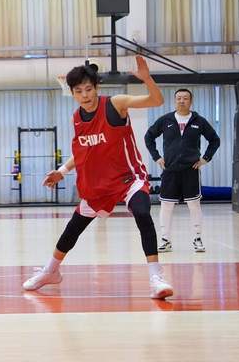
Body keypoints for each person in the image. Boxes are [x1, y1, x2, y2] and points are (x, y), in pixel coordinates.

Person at [23, 56, 173, 299]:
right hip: (100, 184)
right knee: (74, 227)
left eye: (88, 89)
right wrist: (62, 171)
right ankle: (51, 271)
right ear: (72, 93)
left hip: (128, 178)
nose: (85, 95)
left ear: (96, 88)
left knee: (142, 213)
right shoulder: (76, 118)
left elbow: (156, 100)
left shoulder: (116, 104)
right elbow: (84, 151)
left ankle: (156, 277)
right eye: (79, 91)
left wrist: (147, 79)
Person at [144, 89, 220, 253]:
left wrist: (205, 158)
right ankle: (165, 240)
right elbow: (148, 137)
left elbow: (215, 140)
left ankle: (197, 239)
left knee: (194, 205)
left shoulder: (199, 121)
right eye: (178, 98)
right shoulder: (165, 120)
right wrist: (157, 157)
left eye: (185, 98)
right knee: (166, 205)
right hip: (170, 170)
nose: (182, 101)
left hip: (190, 170)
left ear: (190, 101)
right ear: (174, 101)